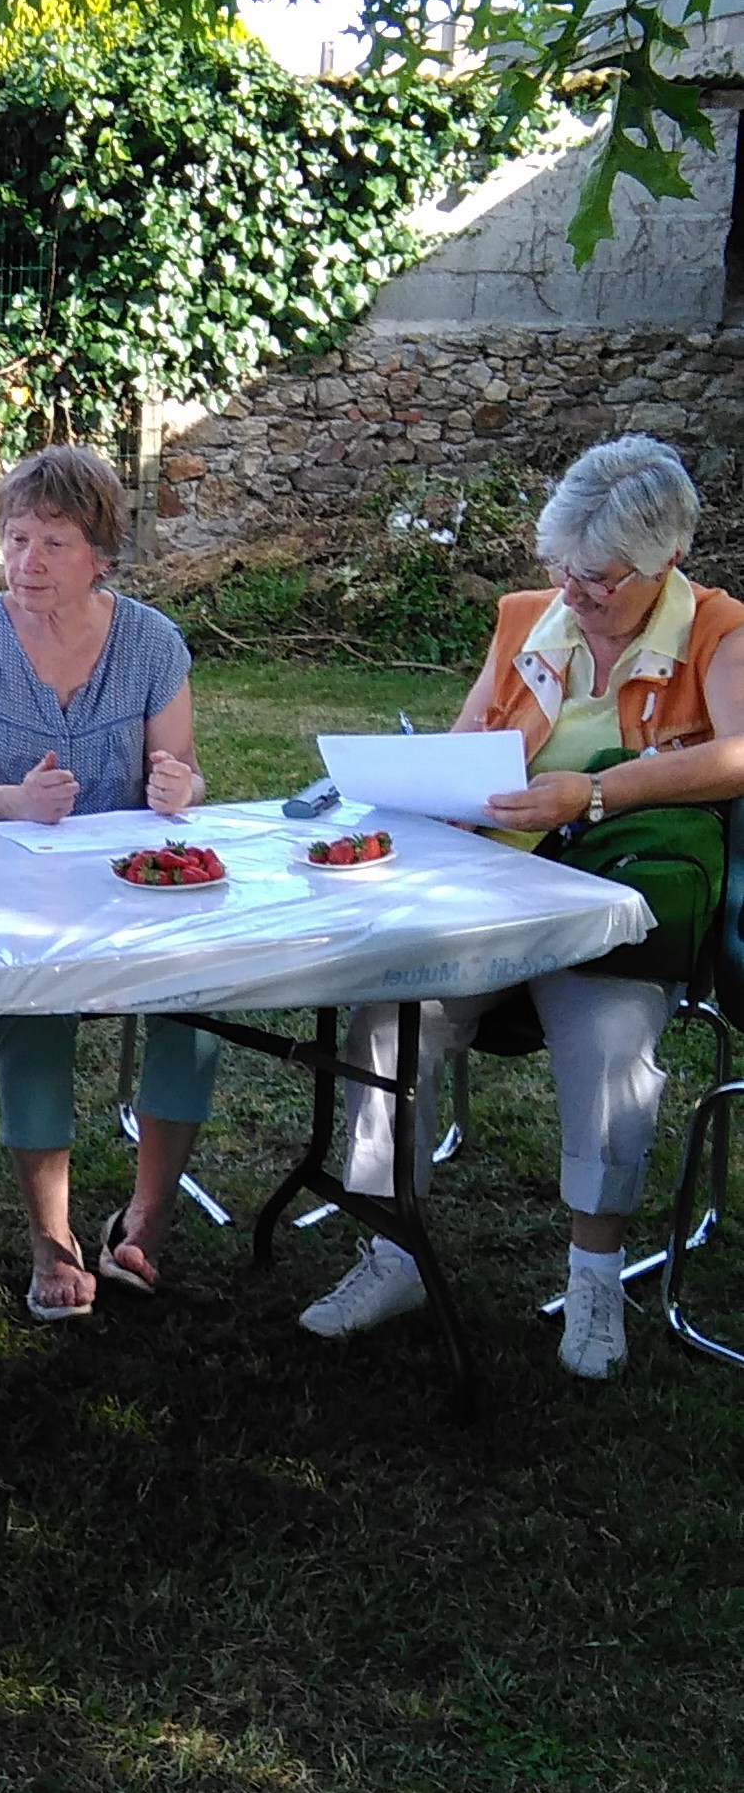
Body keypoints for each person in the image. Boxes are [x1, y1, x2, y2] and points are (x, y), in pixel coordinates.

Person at [302, 433, 744, 1380]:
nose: (573, 594)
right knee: (388, 1022)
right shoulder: (526, 621)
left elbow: (740, 755)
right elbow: (468, 743)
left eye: (597, 579)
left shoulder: (718, 629)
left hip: (614, 902)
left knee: (613, 1051)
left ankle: (594, 1278)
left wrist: (591, 794)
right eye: (561, 569)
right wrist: (428, 789)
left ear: (665, 560)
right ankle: (391, 1252)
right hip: (492, 895)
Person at [0, 443, 221, 1321]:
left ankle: (146, 1218)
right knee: (34, 1011)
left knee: (194, 1001)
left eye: (53, 543)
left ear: (100, 553)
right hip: (14, 883)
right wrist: (15, 799)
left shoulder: (152, 643)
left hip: (134, 889)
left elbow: (188, 773)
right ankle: (51, 1240)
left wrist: (181, 787)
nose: (29, 563)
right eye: (16, 540)